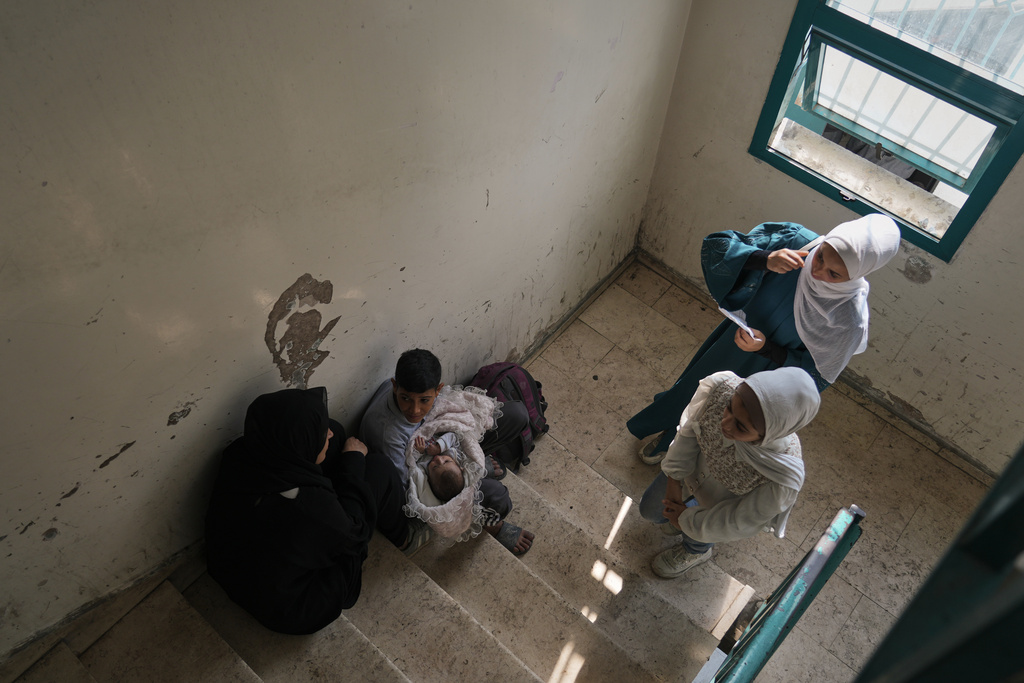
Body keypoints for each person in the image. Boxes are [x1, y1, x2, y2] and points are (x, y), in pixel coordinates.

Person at [629, 213, 900, 463]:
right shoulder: (798, 243)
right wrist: (764, 259)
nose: (817, 272)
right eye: (820, 257)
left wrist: (766, 349)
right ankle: (667, 419)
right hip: (731, 342)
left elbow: (814, 376)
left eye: (834, 274)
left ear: (858, 275)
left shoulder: (848, 319)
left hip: (765, 372)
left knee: (724, 414)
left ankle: (677, 446)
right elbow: (718, 246)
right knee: (695, 384)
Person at [204, 387, 428, 635]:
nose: (328, 432)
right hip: (295, 605)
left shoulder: (245, 450)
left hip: (235, 561)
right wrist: (353, 463)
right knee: (378, 469)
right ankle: (404, 536)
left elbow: (327, 436)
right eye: (321, 433)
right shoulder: (309, 508)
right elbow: (353, 533)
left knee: (339, 434)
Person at [639, 367, 820, 578]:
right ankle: (685, 520)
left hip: (717, 507)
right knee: (650, 510)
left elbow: (738, 520)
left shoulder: (781, 474)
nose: (725, 423)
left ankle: (696, 551)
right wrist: (673, 481)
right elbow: (689, 431)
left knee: (701, 533)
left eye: (742, 427)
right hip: (687, 472)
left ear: (770, 434)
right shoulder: (722, 390)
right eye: (729, 407)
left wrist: (688, 522)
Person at [360, 349, 535, 555]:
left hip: (444, 449)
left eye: (424, 400)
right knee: (497, 497)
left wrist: (453, 450)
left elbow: (446, 421)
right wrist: (453, 470)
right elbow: (411, 487)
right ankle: (488, 521)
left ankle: (474, 464)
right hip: (429, 476)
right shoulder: (388, 435)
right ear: (395, 386)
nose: (414, 410)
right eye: (406, 398)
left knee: (517, 415)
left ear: (438, 390)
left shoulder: (411, 395)